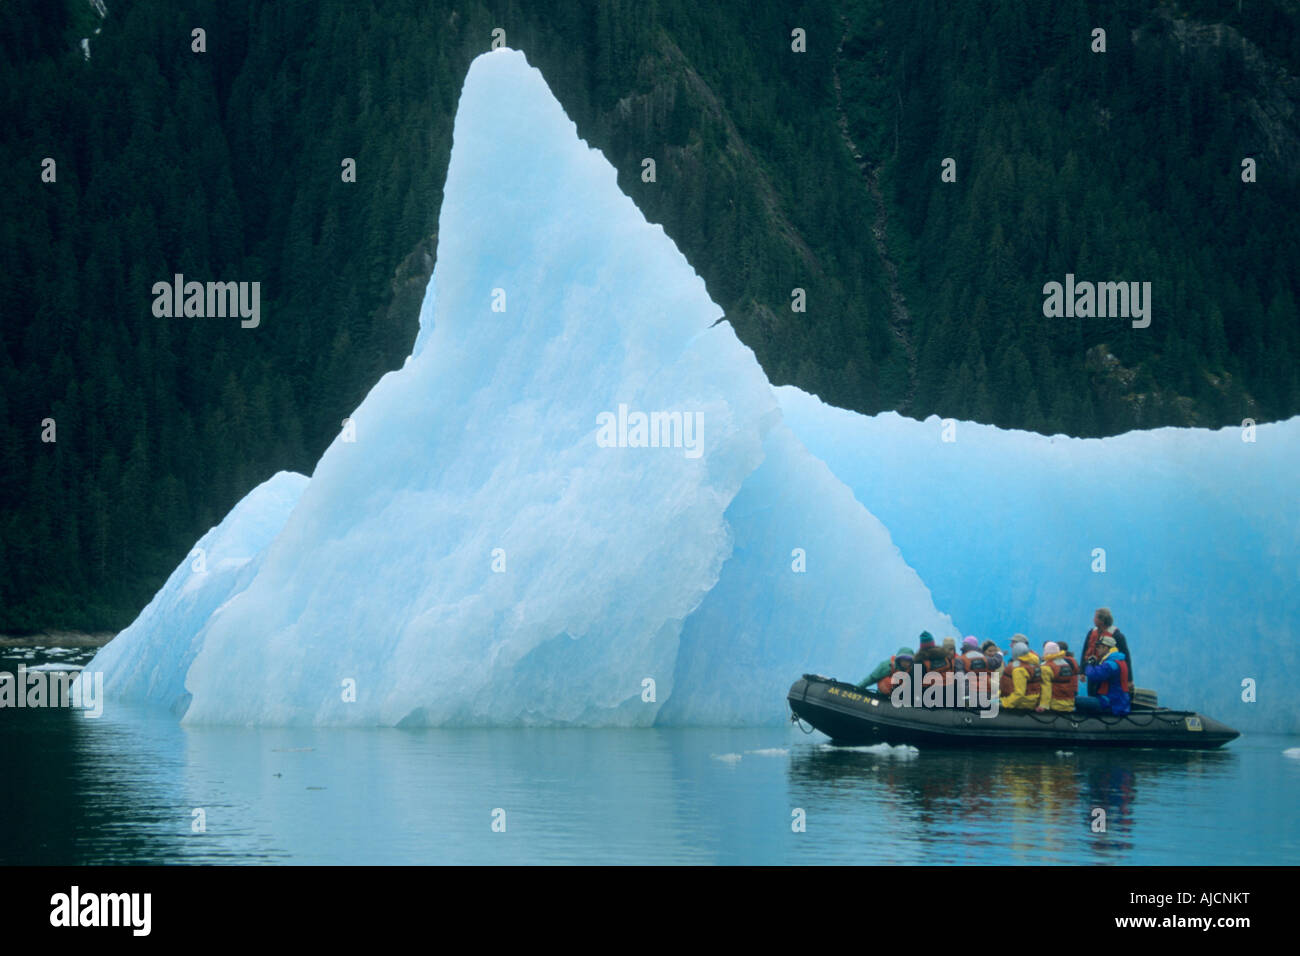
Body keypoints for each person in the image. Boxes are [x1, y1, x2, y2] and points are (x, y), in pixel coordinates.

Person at [1082, 608, 1134, 692]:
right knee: (1092, 693)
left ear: (1102, 620)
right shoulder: (1091, 632)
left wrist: (1129, 679)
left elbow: (1126, 657)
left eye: (1095, 617)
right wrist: (1082, 671)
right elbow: (1085, 650)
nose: (1093, 619)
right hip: (1093, 669)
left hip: (1107, 671)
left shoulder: (1117, 636)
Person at [1076, 635, 1131, 715]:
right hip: (1119, 702)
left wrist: (1088, 665)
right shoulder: (1119, 660)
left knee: (1075, 700)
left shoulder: (1111, 664)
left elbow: (1094, 675)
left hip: (1111, 703)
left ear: (1106, 648)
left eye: (1099, 647)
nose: (1097, 649)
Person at [1036, 641, 1079, 713]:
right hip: (1069, 703)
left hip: (1055, 704)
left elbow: (1046, 688)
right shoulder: (1066, 664)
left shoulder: (1046, 667)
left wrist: (1043, 705)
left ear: (1046, 652)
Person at [999, 637, 1041, 710]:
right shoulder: (1035, 664)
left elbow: (1019, 694)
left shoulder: (1019, 670)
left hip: (1023, 702)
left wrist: (1005, 703)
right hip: (1033, 699)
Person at [955, 636, 990, 705]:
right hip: (986, 695)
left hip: (969, 696)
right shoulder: (985, 658)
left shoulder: (960, 659)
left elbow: (961, 679)